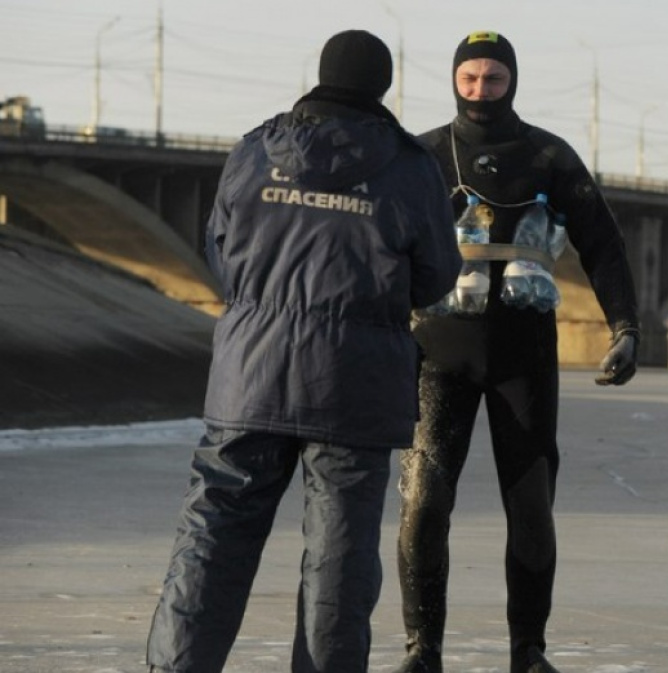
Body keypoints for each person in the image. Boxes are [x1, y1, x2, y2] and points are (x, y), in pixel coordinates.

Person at [145, 29, 462, 673]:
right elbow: (435, 280)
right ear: (383, 86)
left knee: (212, 539)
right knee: (339, 559)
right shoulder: (410, 167)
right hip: (353, 387)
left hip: (250, 378)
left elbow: (222, 256)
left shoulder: (255, 150)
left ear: (320, 76)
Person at [394, 30, 640, 673]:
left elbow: (603, 244)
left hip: (522, 354)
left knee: (530, 504)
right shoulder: (421, 156)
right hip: (437, 354)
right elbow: (382, 250)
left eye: (493, 79)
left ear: (513, 81)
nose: (480, 91)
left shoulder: (548, 156)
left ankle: (528, 652)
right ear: (454, 79)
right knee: (425, 500)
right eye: (469, 78)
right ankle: (423, 650)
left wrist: (625, 327)